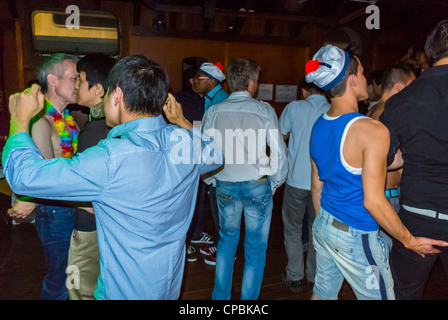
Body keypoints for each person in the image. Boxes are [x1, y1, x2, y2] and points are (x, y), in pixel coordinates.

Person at [3, 55, 223, 299]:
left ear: (117, 96)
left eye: (107, 93)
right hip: (168, 287)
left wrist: (19, 119)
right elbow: (216, 155)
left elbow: (24, 177)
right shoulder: (185, 141)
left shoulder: (111, 158)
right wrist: (181, 121)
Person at [305, 45, 447, 300]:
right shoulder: (372, 130)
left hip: (324, 223)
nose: (366, 76)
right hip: (356, 233)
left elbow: (317, 186)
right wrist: (410, 241)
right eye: (361, 70)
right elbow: (373, 201)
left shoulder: (319, 125)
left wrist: (327, 229)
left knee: (322, 294)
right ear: (352, 81)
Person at [201, 58, 288, 300]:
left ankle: (220, 298)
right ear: (251, 83)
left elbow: (204, 152)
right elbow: (280, 155)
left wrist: (212, 181)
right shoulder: (264, 111)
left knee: (226, 242)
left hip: (225, 185)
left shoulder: (214, 111)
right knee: (256, 249)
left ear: (229, 81)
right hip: (257, 185)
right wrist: (273, 184)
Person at [380, 19, 448, 300]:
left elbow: (384, 160)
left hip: (416, 214)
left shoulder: (400, 100)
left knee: (405, 294)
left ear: (430, 53)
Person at [7, 53, 80, 300]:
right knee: (59, 276)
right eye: (74, 78)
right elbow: (43, 176)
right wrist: (28, 198)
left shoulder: (69, 120)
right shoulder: (41, 121)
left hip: (70, 205)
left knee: (72, 270)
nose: (79, 83)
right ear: (53, 80)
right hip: (55, 210)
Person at [67, 53, 116, 300]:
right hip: (107, 227)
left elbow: (84, 190)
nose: (75, 85)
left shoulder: (95, 130)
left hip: (89, 228)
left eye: (80, 79)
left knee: (78, 288)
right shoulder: (108, 123)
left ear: (97, 88)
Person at [279, 77, 329, 293]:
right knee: (316, 230)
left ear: (303, 91)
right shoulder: (333, 109)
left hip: (296, 181)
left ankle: (295, 275)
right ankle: (313, 275)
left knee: (292, 229)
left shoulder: (294, 107)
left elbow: (280, 135)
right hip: (324, 183)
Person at [366, 65, 416, 249]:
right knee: (387, 256)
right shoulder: (387, 117)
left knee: (379, 253)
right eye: (412, 86)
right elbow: (378, 161)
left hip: (380, 194)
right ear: (400, 87)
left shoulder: (371, 112)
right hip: (387, 197)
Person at [173, 66, 213, 263]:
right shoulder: (178, 99)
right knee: (183, 199)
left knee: (200, 197)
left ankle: (196, 234)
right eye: (204, 77)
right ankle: (184, 241)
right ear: (192, 80)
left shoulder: (211, 99)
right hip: (182, 157)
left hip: (202, 156)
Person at [193, 62, 230, 265]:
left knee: (221, 211)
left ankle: (226, 250)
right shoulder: (209, 98)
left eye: (199, 77)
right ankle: (219, 242)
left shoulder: (221, 102)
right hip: (210, 161)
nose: (194, 81)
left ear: (213, 80)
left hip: (220, 164)